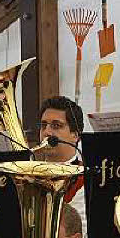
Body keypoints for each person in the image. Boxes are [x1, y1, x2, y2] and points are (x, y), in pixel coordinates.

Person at [36, 96, 87, 228]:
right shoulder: (30, 174)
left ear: (75, 135)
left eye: (56, 126)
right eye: (43, 125)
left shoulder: (86, 180)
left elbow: (77, 233)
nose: (47, 132)